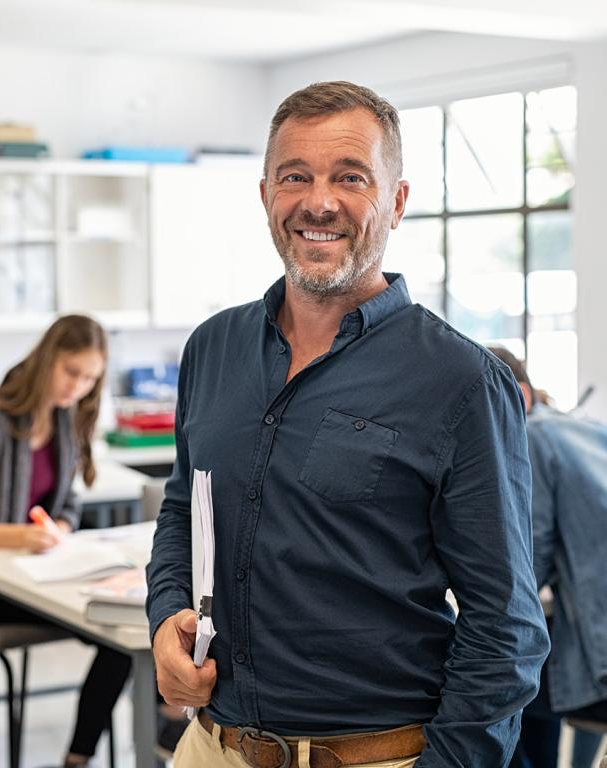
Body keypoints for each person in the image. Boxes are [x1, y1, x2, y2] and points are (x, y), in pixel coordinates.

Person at [146, 80, 550, 768]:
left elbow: (504, 624)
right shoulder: (211, 347)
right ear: (266, 194)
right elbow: (187, 507)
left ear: (396, 201)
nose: (319, 201)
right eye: (294, 176)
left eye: (350, 177)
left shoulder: (458, 380)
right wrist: (164, 621)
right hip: (213, 747)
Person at [0, 314, 130, 768]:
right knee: (119, 633)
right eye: (72, 373)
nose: (79, 388)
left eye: (90, 379)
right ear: (47, 359)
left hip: (42, 575)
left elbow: (67, 506)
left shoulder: (64, 420)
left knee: (130, 629)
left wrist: (59, 531)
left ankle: (80, 755)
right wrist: (23, 536)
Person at [488, 347, 607, 768]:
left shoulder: (532, 436)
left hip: (592, 627)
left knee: (510, 692)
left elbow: (531, 555)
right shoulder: (582, 428)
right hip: (594, 617)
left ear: (517, 395)